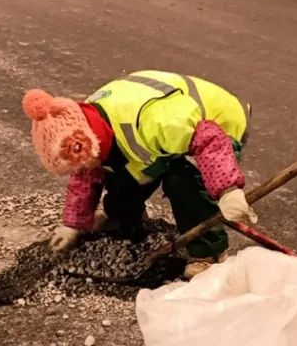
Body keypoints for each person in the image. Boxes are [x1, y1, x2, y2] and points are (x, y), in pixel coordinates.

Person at [22, 71, 257, 278]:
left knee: (182, 179)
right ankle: (125, 219)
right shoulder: (84, 121)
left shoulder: (153, 119)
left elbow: (208, 140)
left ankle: (209, 253)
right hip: (167, 133)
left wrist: (228, 190)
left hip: (215, 125)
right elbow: (86, 174)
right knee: (116, 168)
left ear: (86, 144)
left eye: (79, 165)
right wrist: (73, 224)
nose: (79, 172)